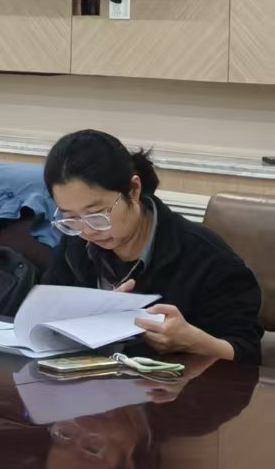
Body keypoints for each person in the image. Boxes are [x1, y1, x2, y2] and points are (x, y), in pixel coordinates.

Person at [41, 129, 263, 364]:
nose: (87, 231)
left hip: (176, 384)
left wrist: (194, 342)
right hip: (89, 380)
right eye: (71, 217)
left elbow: (248, 355)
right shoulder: (76, 244)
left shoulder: (206, 257)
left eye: (97, 214)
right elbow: (44, 317)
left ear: (133, 190)